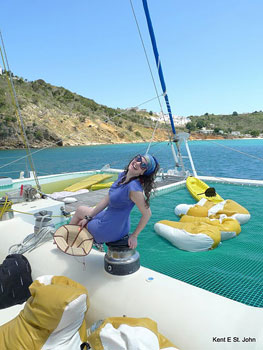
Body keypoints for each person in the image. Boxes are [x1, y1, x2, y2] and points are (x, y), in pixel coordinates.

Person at [70, 154, 159, 249]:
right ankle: (70, 237)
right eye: (138, 159)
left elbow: (147, 214)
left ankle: (70, 239)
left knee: (81, 224)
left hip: (110, 228)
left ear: (143, 173)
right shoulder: (123, 176)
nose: (137, 163)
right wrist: (89, 217)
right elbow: (106, 199)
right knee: (80, 210)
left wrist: (134, 235)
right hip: (113, 220)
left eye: (143, 165)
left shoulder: (133, 188)